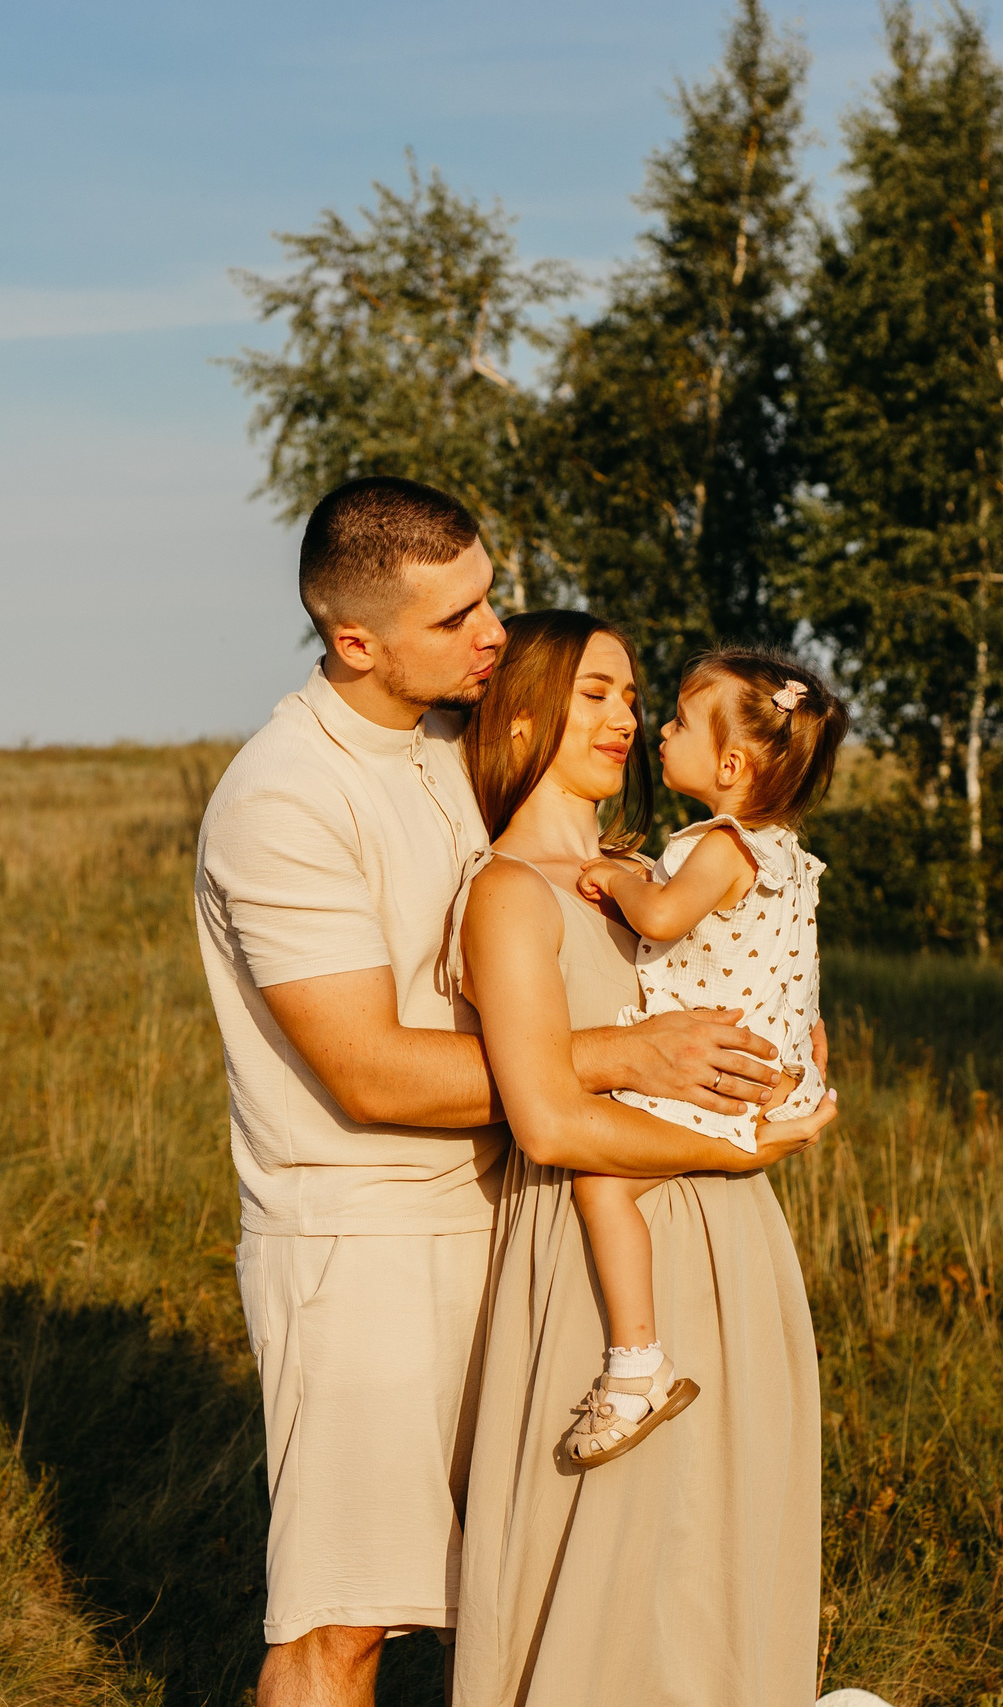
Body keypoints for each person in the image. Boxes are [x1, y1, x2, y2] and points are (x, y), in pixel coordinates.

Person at [192, 479, 809, 1707]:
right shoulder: (285, 799)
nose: (491, 634)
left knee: (523, 1579)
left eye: (489, 599)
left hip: (518, 1215)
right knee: (346, 1619)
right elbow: (369, 1071)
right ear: (354, 641)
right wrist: (617, 1058)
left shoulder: (449, 749)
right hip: (365, 1246)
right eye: (456, 618)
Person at [449, 610, 834, 1707]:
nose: (626, 716)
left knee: (710, 1579)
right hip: (602, 1259)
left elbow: (754, 989)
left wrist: (784, 1062)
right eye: (596, 694)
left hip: (729, 1244)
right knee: (610, 1589)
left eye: (631, 695)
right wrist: (743, 1144)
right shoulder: (512, 889)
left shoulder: (650, 873)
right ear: (521, 717)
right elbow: (551, 1125)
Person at [558, 648, 850, 1466]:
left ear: (729, 766)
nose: (658, 729)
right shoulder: (785, 851)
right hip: (777, 1067)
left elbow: (659, 916)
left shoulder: (720, 846)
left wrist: (616, 878)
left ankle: (635, 1367)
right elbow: (794, 964)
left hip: (720, 1074)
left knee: (601, 1184)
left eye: (680, 722)